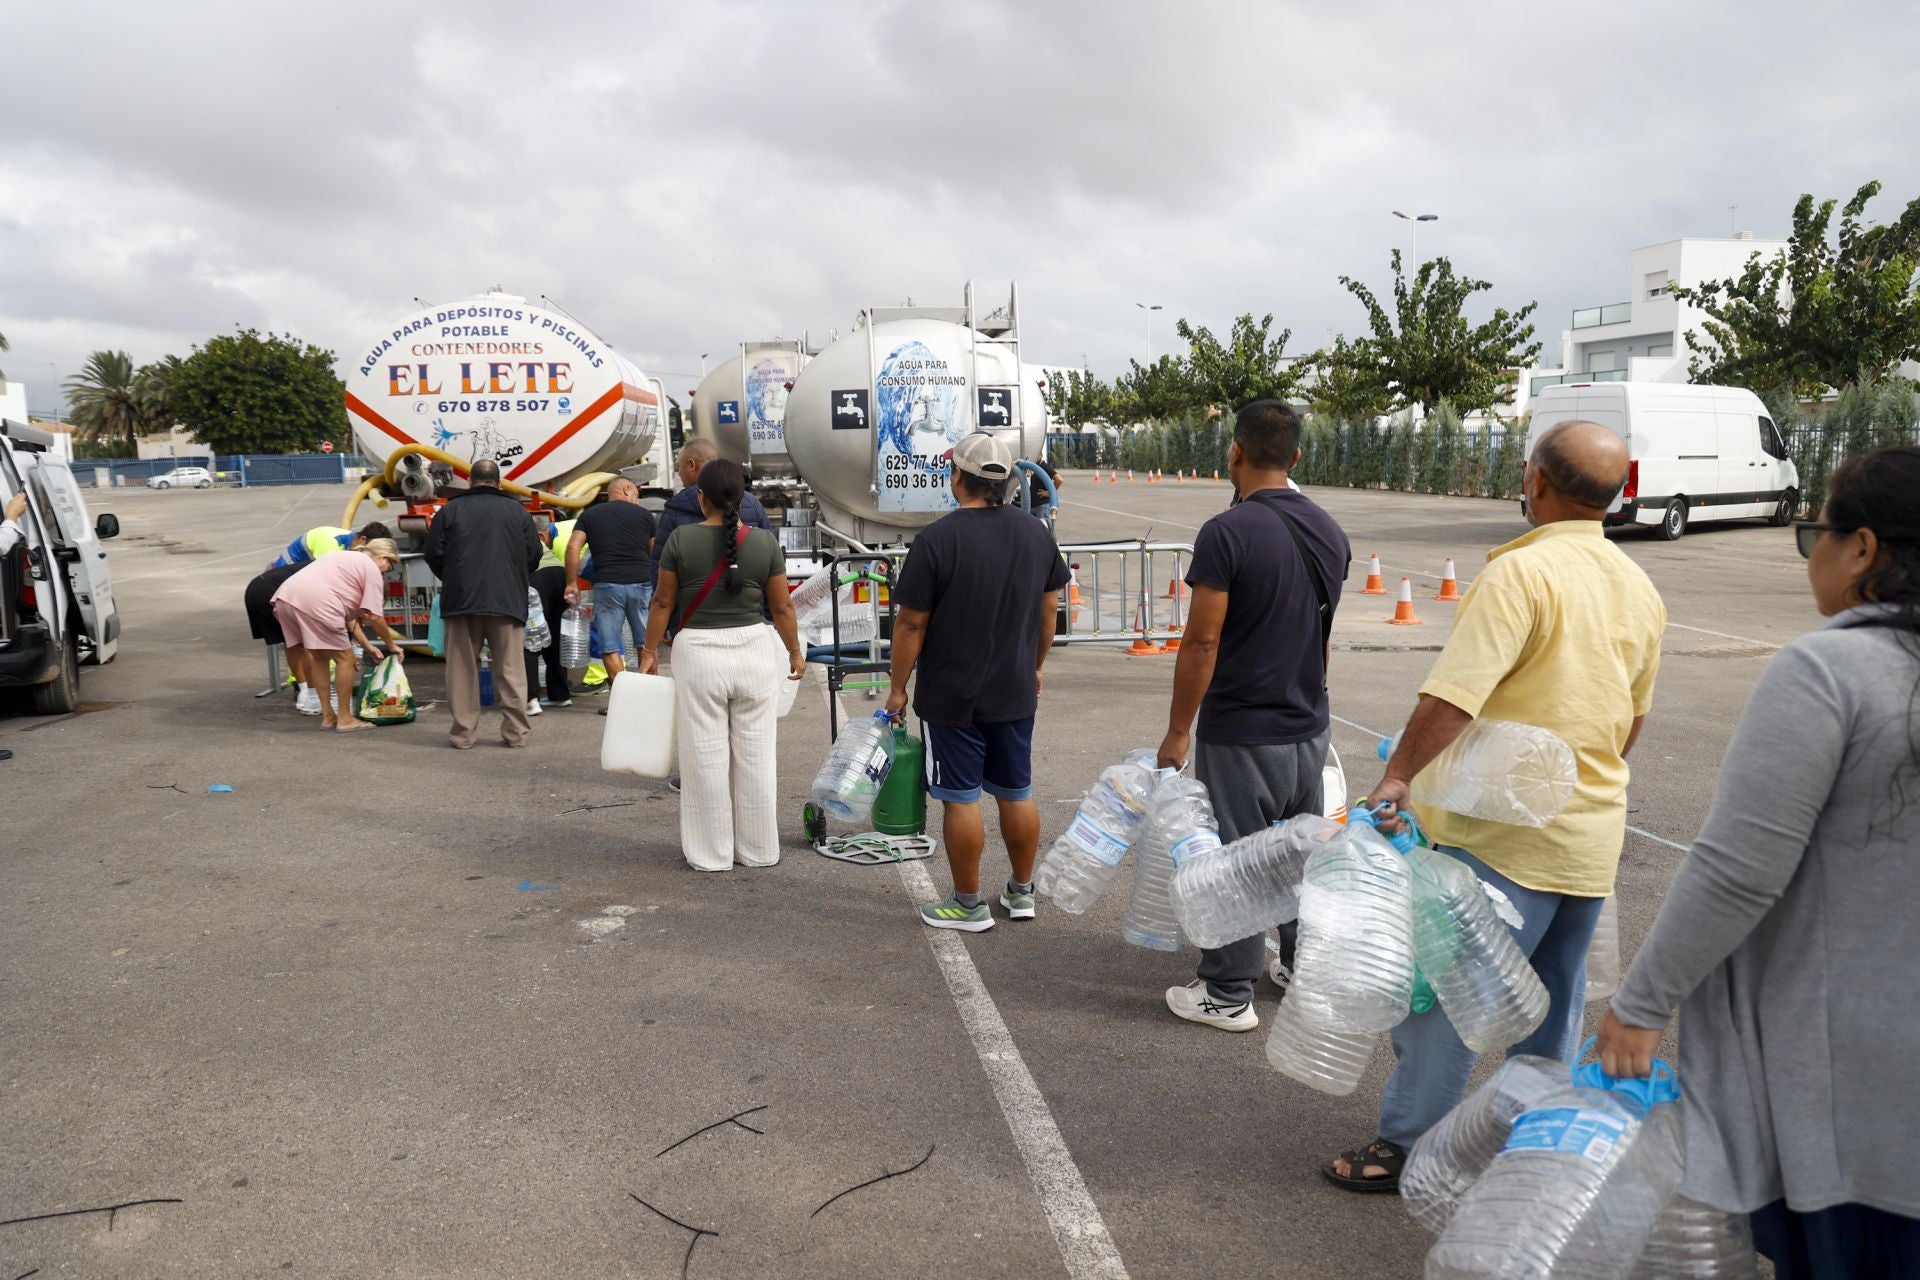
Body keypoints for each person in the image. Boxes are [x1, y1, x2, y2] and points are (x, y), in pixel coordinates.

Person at [1595, 446, 1920, 1279]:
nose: (1811, 550)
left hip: (1857, 1087)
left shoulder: (1832, 670)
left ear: (1864, 550)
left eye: (1818, 530)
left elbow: (1740, 866)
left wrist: (1641, 1002)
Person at [1324, 419, 1666, 1192]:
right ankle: (1530, 1146)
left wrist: (1399, 774)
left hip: (1499, 838)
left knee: (1449, 997)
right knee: (1550, 1003)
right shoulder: (1639, 588)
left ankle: (1409, 1147)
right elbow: (1631, 721)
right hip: (1586, 838)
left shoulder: (1519, 576)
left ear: (1537, 481)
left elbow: (1456, 695)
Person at [1155, 400, 1351, 1029]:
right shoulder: (1329, 529)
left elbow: (1202, 642)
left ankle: (1227, 992)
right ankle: (1299, 963)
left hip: (1243, 729)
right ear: (1296, 457)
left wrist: (1178, 731)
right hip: (1307, 725)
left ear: (1233, 451)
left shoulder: (1227, 532)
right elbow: (1319, 638)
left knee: (1236, 861)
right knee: (1297, 854)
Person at [886, 432, 1068, 931]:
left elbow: (911, 624)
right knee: (1016, 790)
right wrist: (1035, 665)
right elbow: (1048, 609)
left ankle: (967, 904)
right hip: (1013, 688)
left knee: (960, 797)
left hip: (952, 694)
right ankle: (1022, 891)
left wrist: (899, 686)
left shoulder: (936, 540)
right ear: (1008, 481)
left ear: (957, 478)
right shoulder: (1036, 534)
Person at [640, 459, 804, 871]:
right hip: (754, 651)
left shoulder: (680, 539)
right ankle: (759, 850)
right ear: (743, 497)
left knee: (704, 757)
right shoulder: (765, 543)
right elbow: (781, 606)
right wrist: (795, 652)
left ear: (701, 498)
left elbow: (663, 601)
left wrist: (648, 652)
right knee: (757, 757)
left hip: (698, 653)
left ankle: (711, 855)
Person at [422, 459, 543, 750]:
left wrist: (454, 577)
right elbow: (534, 554)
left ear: (471, 481)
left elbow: (433, 553)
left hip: (461, 601)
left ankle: (463, 735)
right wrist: (514, 578)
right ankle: (516, 734)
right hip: (507, 601)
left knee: (462, 670)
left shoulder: (450, 510)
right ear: (499, 482)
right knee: (511, 669)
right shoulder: (517, 511)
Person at [269, 539, 406, 732]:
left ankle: (328, 716)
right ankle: (345, 718)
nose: (386, 571)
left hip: (286, 598)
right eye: (389, 566)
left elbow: (345, 614)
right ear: (383, 557)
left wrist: (367, 646)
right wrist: (391, 645)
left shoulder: (344, 556)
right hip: (317, 602)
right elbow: (375, 617)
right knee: (345, 659)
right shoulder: (371, 568)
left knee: (319, 658)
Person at [565, 478, 657, 681]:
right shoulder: (645, 515)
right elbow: (654, 553)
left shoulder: (590, 515)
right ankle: (648, 695)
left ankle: (624, 698)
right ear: (626, 490)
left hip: (607, 586)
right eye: (636, 494)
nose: (638, 500)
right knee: (646, 644)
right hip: (641, 585)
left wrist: (571, 583)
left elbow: (573, 547)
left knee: (609, 645)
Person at [650, 440, 770, 565]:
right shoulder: (751, 502)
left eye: (679, 466)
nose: (679, 473)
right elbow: (769, 554)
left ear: (692, 464)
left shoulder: (675, 509)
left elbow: (660, 563)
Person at [523, 520, 572, 715]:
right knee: (556, 636)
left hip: (536, 579)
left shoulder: (511, 534)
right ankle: (560, 695)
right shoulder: (532, 535)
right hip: (560, 574)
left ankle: (531, 700)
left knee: (531, 638)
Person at [269, 521, 391, 569]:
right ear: (363, 540)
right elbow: (323, 579)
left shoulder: (351, 541)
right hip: (280, 576)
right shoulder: (331, 544)